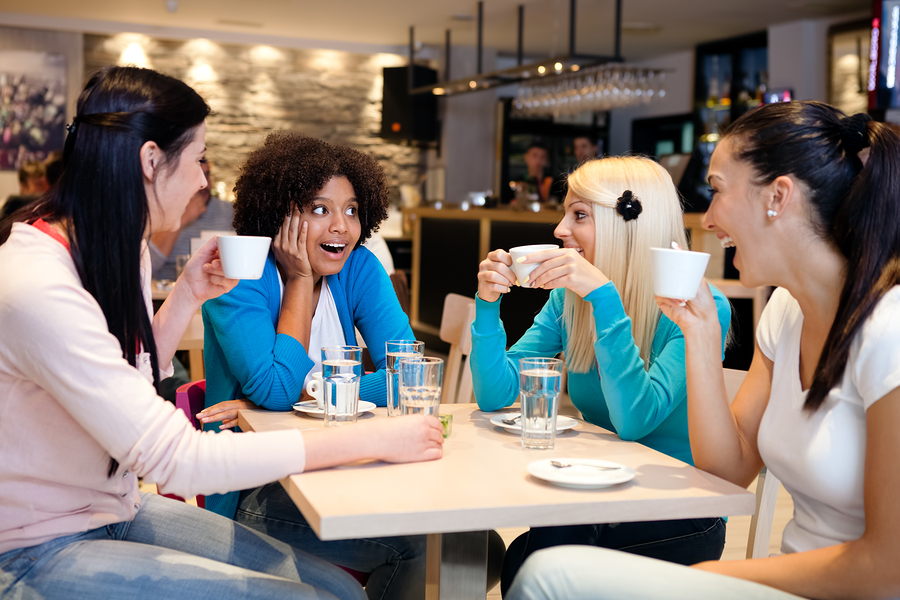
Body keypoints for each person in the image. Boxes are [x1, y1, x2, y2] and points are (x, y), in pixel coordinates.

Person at [0, 65, 444, 600]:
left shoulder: (122, 249)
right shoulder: (36, 282)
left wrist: (186, 293)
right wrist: (369, 435)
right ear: (150, 161)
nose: (204, 182)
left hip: (112, 507)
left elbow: (137, 383)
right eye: (198, 160)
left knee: (341, 591)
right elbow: (177, 459)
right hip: (32, 545)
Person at [505, 101, 900, 600]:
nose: (707, 219)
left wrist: (710, 580)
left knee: (549, 574)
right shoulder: (785, 314)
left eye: (716, 191)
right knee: (543, 562)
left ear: (778, 197)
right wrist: (701, 338)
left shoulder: (890, 329)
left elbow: (889, 567)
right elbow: (726, 469)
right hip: (789, 579)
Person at [196, 131, 482, 600]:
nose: (342, 228)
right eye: (320, 209)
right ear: (281, 212)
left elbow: (406, 371)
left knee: (471, 541)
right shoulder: (240, 278)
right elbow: (273, 390)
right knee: (420, 549)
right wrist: (300, 280)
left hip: (345, 462)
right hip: (256, 485)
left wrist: (308, 395)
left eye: (351, 210)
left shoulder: (360, 268)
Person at [472, 155, 732, 596]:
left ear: (626, 223)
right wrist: (487, 303)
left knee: (538, 555)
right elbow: (497, 394)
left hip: (682, 511)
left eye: (579, 216)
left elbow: (635, 420)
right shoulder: (567, 303)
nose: (559, 230)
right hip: (595, 492)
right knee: (530, 552)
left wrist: (604, 299)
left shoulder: (697, 308)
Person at [149, 158, 235, 281]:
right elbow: (145, 267)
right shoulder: (159, 211)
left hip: (219, 295)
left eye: (207, 175)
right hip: (166, 296)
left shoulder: (230, 211)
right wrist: (181, 218)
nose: (204, 183)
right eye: (196, 175)